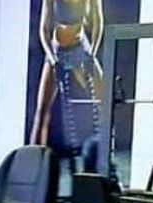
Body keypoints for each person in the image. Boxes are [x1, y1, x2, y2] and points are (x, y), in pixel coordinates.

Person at [30, 0, 105, 149]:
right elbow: (44, 30)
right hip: (57, 51)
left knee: (105, 102)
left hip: (81, 48)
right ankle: (34, 157)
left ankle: (107, 152)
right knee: (42, 112)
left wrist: (91, 55)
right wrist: (54, 61)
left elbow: (98, 23)